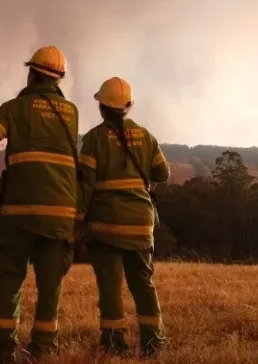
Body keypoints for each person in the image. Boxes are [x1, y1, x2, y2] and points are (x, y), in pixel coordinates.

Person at [0, 45, 80, 362]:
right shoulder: (72, 113)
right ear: (58, 79)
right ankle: (44, 350)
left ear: (32, 74)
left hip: (18, 213)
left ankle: (2, 351)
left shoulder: (14, 108)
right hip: (60, 215)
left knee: (9, 279)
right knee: (50, 284)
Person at [75, 76, 170, 357]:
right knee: (144, 285)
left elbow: (85, 184)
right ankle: (153, 343)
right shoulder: (146, 136)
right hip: (141, 226)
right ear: (128, 106)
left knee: (110, 289)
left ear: (102, 107)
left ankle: (114, 345)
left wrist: (77, 220)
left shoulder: (93, 139)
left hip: (106, 228)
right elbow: (162, 173)